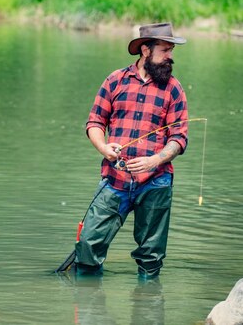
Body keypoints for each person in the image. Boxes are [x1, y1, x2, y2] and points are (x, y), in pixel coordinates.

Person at [74, 22, 189, 279]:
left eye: (171, 50)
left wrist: (154, 160)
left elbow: (179, 138)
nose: (170, 56)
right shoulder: (114, 81)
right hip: (115, 179)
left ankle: (147, 304)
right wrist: (104, 147)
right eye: (165, 50)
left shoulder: (174, 89)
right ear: (145, 50)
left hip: (156, 183)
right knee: (87, 246)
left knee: (151, 257)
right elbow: (94, 122)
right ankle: (87, 302)